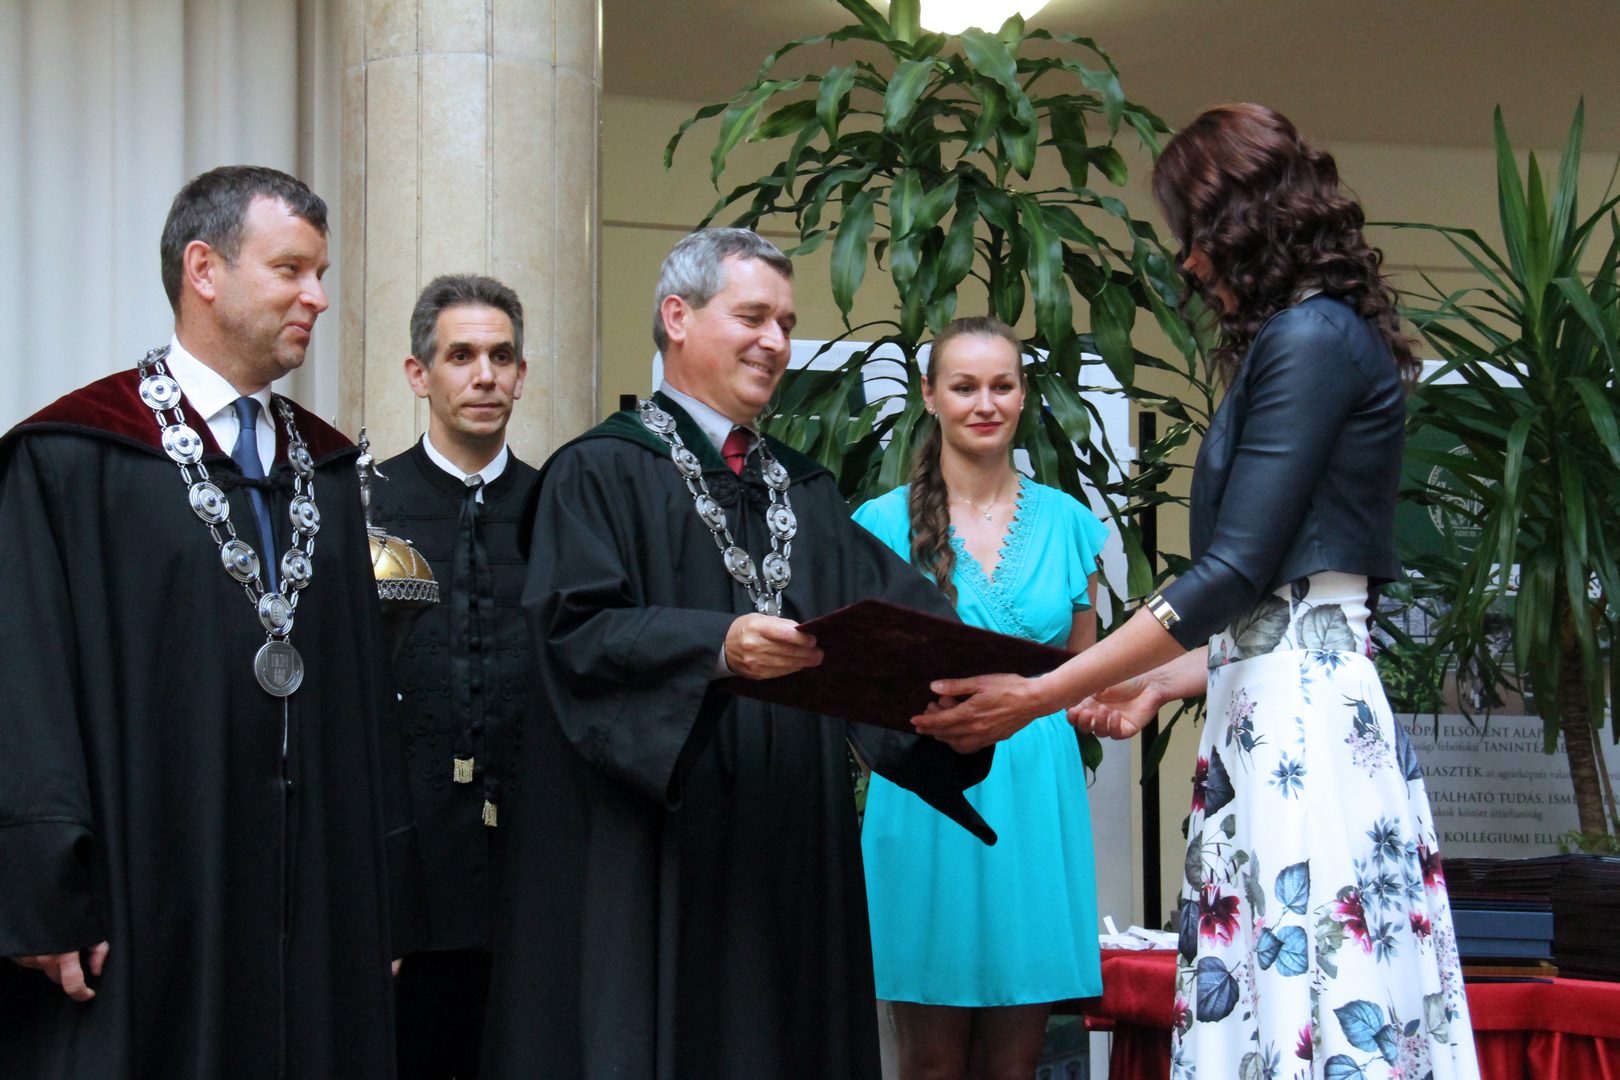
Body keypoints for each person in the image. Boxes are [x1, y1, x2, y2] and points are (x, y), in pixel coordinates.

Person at [914, 106, 1480, 1079]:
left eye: (1192, 233)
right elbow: (1284, 608)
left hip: (1301, 732)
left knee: (1308, 1018)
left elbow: (1234, 574)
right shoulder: (1317, 336)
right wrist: (1160, 680)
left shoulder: (1309, 338)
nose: (1187, 262)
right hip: (1281, 707)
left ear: (1239, 225)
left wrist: (1042, 694)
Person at [484, 227, 998, 1080]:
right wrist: (714, 648)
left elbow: (903, 629)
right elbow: (573, 637)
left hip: (790, 840)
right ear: (677, 317)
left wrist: (965, 698)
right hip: (662, 849)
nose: (776, 342)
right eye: (753, 317)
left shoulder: (805, 491)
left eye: (785, 323)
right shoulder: (598, 473)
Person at [0, 166, 418, 1079]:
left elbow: (363, 701)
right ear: (204, 270)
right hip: (145, 886)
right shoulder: (75, 457)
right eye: (291, 270)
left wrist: (382, 897)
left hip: (311, 894)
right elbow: (25, 683)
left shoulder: (326, 471)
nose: (317, 297)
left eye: (321, 273)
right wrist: (41, 889)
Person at [852, 316, 1108, 1080]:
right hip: (925, 792)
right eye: (964, 386)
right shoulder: (878, 524)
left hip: (1037, 795)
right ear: (929, 395)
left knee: (1016, 1062)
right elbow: (859, 687)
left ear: (1024, 395)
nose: (985, 403)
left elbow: (1084, 670)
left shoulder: (1071, 525)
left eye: (1002, 385)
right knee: (929, 1062)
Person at [371, 274, 539, 1080]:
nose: (484, 376)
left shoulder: (560, 506)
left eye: (501, 357)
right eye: (462, 356)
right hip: (408, 873)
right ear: (419, 373)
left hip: (537, 876)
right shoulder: (362, 506)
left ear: (522, 374)